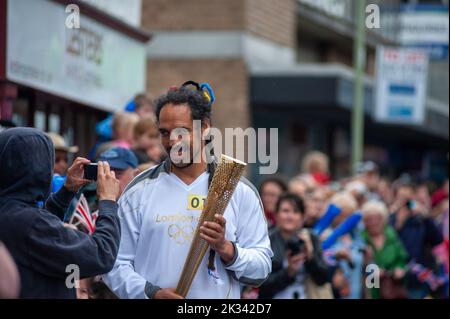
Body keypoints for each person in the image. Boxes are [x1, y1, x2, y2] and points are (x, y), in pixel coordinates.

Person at [104, 82, 272, 299]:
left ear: (204, 128)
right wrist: (151, 294)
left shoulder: (238, 190)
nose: (172, 141)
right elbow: (114, 265)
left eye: (181, 131)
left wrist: (227, 249)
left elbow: (262, 268)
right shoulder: (138, 191)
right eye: (165, 132)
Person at [0, 127, 121, 298]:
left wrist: (66, 191)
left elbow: (36, 235)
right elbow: (102, 254)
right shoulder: (29, 223)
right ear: (40, 167)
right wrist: (108, 201)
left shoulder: (11, 212)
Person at [258, 193, 329, 299]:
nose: (290, 216)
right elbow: (261, 285)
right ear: (276, 214)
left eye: (296, 212)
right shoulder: (267, 240)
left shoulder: (311, 238)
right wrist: (289, 272)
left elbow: (323, 279)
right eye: (285, 211)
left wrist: (310, 256)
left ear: (303, 217)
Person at [361, 201, 408, 299]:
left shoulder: (391, 235)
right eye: (369, 219)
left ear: (383, 219)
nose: (374, 222)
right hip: (370, 289)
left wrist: (399, 269)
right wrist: (373, 271)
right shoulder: (361, 239)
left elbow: (402, 259)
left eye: (377, 218)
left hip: (392, 288)